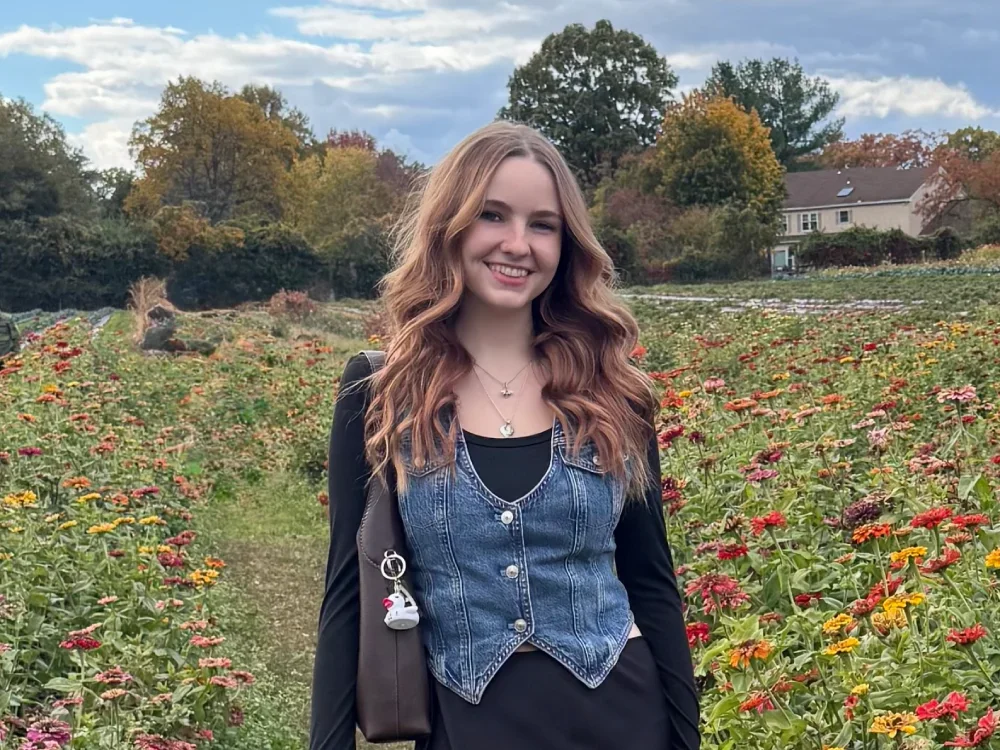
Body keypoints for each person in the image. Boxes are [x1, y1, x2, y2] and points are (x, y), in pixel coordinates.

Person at [309, 120, 700, 750]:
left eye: (542, 224)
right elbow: (347, 592)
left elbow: (651, 580)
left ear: (565, 244)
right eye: (493, 215)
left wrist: (687, 740)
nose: (518, 244)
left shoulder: (613, 391)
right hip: (466, 727)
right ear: (451, 227)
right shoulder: (382, 392)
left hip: (624, 720)